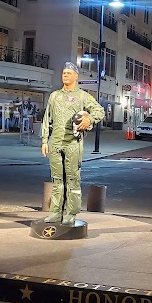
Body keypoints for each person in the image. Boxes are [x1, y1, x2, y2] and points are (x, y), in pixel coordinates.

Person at [41, 62, 105, 224]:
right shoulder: (55, 96)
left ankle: (71, 213)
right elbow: (47, 118)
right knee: (57, 180)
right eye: (63, 73)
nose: (65, 75)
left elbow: (99, 111)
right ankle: (55, 212)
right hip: (55, 142)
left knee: (72, 180)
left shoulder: (83, 96)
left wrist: (88, 119)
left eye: (69, 73)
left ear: (76, 76)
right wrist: (44, 140)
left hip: (72, 144)